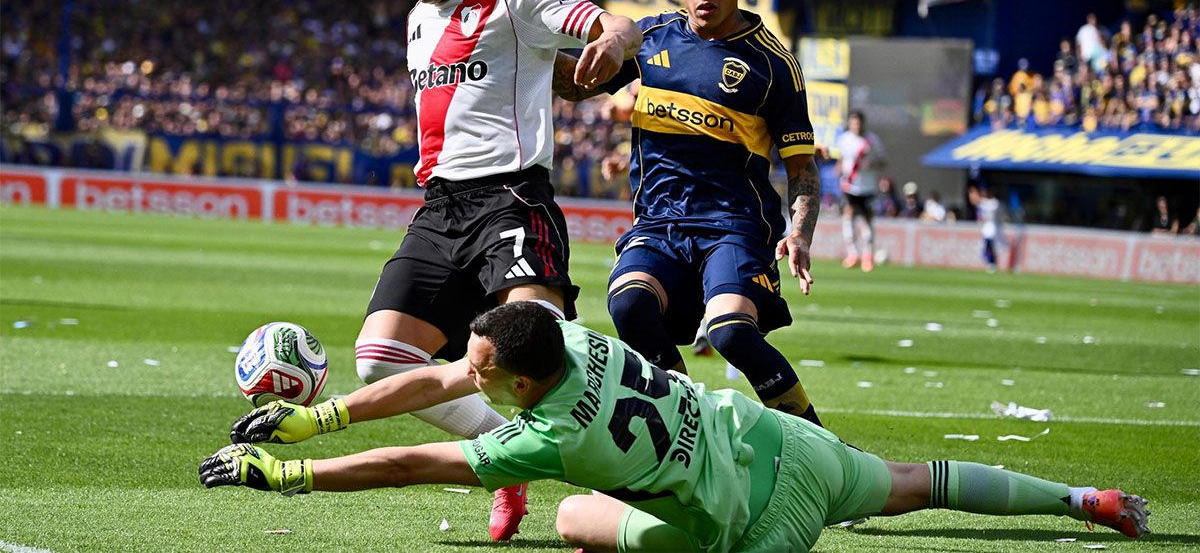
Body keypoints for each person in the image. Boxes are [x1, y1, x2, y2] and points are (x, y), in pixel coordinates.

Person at [200, 302, 1151, 552]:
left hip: (756, 527)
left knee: (572, 517)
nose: (466, 375)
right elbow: (442, 377)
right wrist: (318, 418)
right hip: (786, 444)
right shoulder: (568, 336)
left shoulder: (549, 437)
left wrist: (291, 476)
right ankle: (1084, 498)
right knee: (916, 481)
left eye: (482, 370)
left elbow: (418, 460)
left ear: (522, 381)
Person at [355, 0, 641, 540]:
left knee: (547, 350)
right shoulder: (418, 18)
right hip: (439, 209)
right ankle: (506, 461)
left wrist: (613, 44)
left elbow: (614, 25)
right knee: (380, 358)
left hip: (510, 198)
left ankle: (624, 484)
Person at [551, 0, 823, 425]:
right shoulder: (650, 39)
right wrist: (511, 49)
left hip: (733, 226)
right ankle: (692, 426)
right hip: (659, 223)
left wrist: (801, 232)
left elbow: (802, 168)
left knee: (730, 332)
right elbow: (575, 85)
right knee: (629, 304)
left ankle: (822, 448)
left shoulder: (773, 66)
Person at [835, 110, 887, 271]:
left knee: (866, 221)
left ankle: (867, 256)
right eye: (853, 123)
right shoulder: (844, 139)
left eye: (858, 123)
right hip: (849, 185)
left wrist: (871, 164)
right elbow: (842, 158)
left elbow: (883, 161)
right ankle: (852, 254)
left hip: (867, 187)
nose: (856, 126)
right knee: (848, 215)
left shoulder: (872, 140)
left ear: (863, 124)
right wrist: (839, 168)